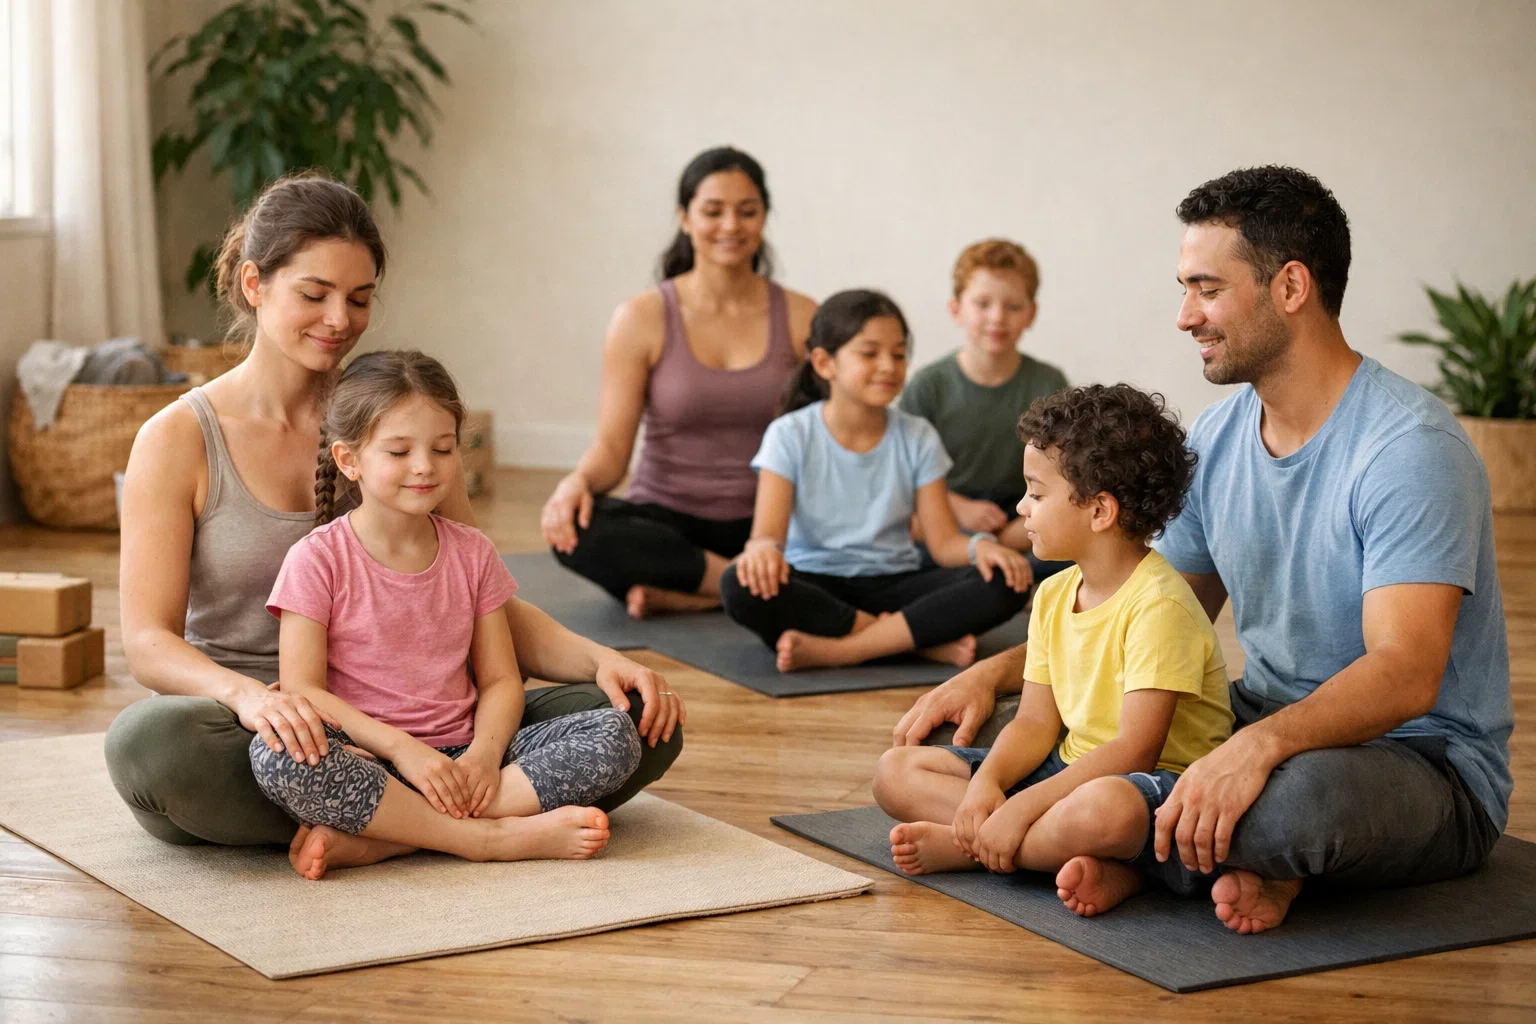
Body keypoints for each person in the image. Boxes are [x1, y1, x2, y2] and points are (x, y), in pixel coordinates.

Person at [891, 165, 1513, 936]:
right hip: (1253, 721)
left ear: (1290, 287)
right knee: (938, 758)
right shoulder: (1218, 440)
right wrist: (995, 674)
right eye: (1185, 288)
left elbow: (1406, 673)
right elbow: (1150, 607)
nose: (1186, 316)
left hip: (1419, 764)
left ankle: (1118, 836)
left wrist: (1257, 749)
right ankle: (1149, 841)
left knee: (1297, 808)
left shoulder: (1409, 449)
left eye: (1207, 288)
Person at [106, 174, 683, 876]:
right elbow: (146, 642)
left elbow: (480, 597)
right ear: (255, 285)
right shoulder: (177, 438)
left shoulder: (402, 429)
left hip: (423, 723)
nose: (339, 319)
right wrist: (249, 698)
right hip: (270, 733)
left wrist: (601, 661)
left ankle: (388, 831)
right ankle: (475, 823)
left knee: (641, 718)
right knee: (154, 748)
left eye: (360, 296)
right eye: (314, 295)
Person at [250, 351, 641, 877]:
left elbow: (502, 679)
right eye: (398, 450)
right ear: (349, 460)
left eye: (442, 448)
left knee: (616, 735)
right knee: (275, 758)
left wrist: (483, 755)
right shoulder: (316, 559)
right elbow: (304, 691)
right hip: (371, 758)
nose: (424, 467)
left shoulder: (473, 552)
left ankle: (393, 838)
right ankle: (487, 838)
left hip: (468, 759)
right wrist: (405, 752)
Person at [874, 384, 1231, 918]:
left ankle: (976, 849)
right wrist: (988, 786)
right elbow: (1036, 724)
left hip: (1151, 787)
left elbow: (1135, 751)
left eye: (1036, 495)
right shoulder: (1054, 593)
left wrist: (1018, 809)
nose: (1021, 508)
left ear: (1100, 511)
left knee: (1104, 811)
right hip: (1066, 770)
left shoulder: (1161, 606)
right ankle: (1066, 855)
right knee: (893, 772)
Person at [541, 147, 817, 619]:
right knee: (580, 531)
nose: (730, 226)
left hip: (768, 524)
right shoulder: (641, 318)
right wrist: (576, 483)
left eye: (746, 211)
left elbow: (827, 437)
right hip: (669, 525)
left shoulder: (802, 316)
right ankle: (744, 585)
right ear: (685, 218)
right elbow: (611, 450)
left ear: (764, 218)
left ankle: (702, 593)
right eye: (713, 211)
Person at [718, 290, 1033, 673]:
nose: (888, 366)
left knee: (1008, 580)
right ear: (823, 362)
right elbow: (766, 536)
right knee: (739, 582)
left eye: (898, 354)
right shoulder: (789, 435)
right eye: (870, 354)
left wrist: (981, 548)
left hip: (895, 583)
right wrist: (761, 551)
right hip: (816, 586)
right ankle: (909, 644)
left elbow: (944, 543)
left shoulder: (917, 435)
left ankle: (841, 649)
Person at [899, 239, 1069, 579]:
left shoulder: (1049, 383)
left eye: (1012, 307)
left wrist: (1009, 535)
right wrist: (959, 508)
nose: (996, 318)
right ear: (956, 308)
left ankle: (998, 573)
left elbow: (1064, 477)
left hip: (1023, 514)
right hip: (946, 511)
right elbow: (903, 478)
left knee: (1074, 553)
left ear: (1031, 314)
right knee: (912, 546)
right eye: (982, 304)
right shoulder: (928, 385)